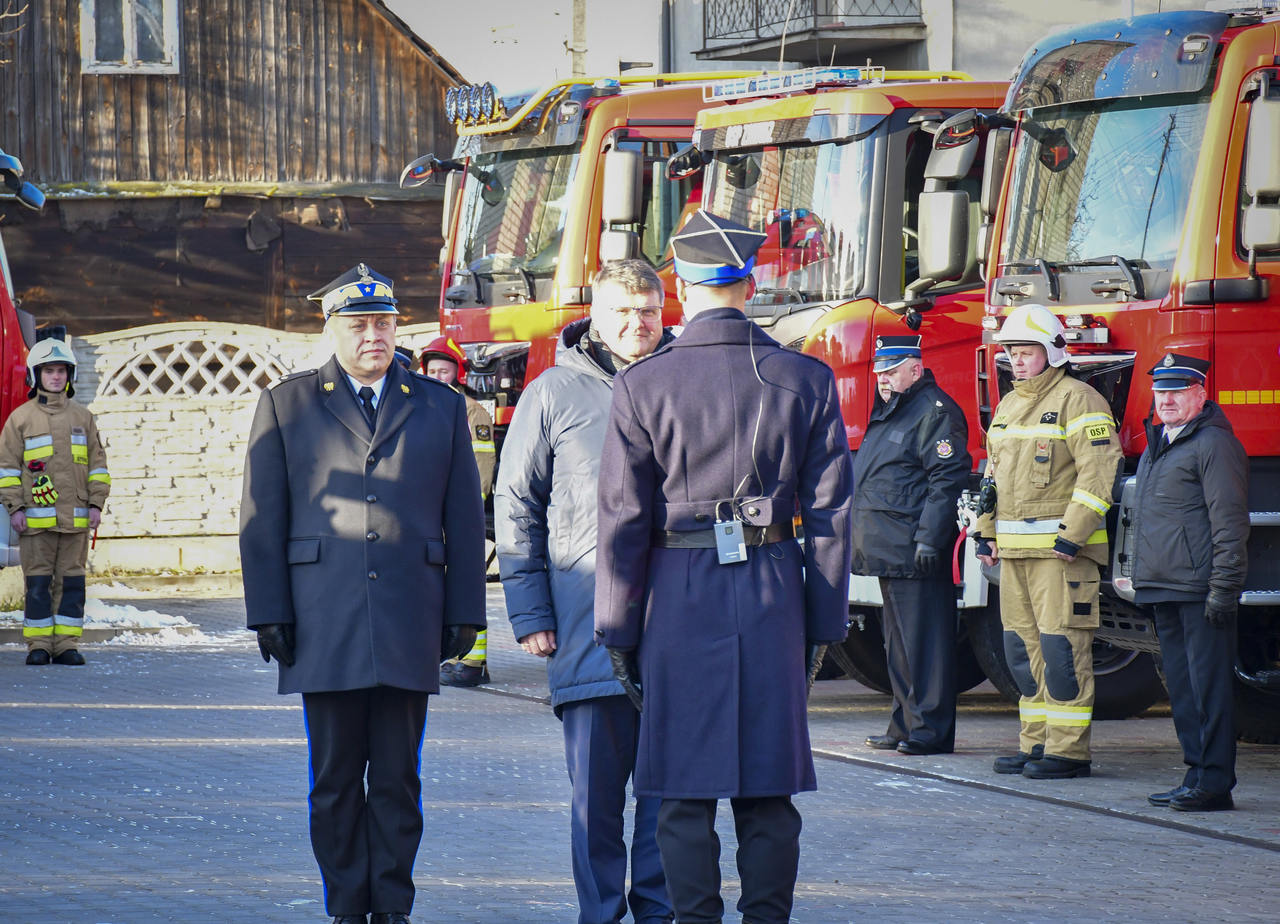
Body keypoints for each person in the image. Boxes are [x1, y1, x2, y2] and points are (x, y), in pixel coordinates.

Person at [594, 210, 853, 924]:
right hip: (773, 593)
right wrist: (824, 623)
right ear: (751, 283)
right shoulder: (806, 378)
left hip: (677, 599)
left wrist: (616, 627)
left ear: (680, 286)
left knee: (681, 793)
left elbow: (622, 519)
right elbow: (831, 515)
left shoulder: (643, 385)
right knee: (768, 793)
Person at [239, 263, 486, 924]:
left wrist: (465, 611)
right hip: (323, 618)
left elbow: (465, 518)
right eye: (359, 325)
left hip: (410, 615)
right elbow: (262, 516)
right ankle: (348, 904)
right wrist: (268, 612)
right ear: (332, 329)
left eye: (383, 323)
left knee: (400, 778)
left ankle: (393, 906)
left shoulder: (439, 406)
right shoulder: (288, 404)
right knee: (335, 779)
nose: (373, 335)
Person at [495, 259, 673, 924]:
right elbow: (516, 504)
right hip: (585, 624)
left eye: (647, 310)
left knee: (668, 797)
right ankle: (600, 915)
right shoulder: (552, 393)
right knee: (595, 799)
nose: (637, 323)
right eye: (622, 311)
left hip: (675, 626)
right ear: (595, 317)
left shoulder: (684, 383)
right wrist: (530, 612)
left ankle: (659, 914)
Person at [973, 303, 1122, 780]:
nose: (1017, 360)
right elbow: (992, 478)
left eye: (1027, 351)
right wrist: (985, 532)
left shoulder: (1081, 400)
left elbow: (1099, 472)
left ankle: (1068, 751)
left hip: (1061, 556)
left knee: (1062, 652)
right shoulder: (1008, 405)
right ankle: (1035, 744)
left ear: (1053, 352)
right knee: (1022, 652)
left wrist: (1072, 537)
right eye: (1012, 352)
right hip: (1015, 554)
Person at [1131, 353, 1248, 812]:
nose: (1167, 400)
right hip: (1165, 586)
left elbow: (1230, 522)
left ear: (1201, 394)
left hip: (1199, 588)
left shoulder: (1214, 444)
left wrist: (1224, 588)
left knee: (1208, 689)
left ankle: (1215, 782)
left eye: (1177, 392)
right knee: (1182, 689)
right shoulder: (1160, 441)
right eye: (1161, 392)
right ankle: (1196, 774)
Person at [852, 334, 970, 755]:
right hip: (891, 546)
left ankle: (930, 730)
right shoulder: (895, 410)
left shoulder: (933, 411)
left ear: (915, 369)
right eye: (880, 372)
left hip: (913, 548)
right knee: (899, 646)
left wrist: (929, 540)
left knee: (925, 645)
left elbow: (946, 479)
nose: (883, 379)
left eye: (891, 371)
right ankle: (904, 723)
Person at [0, 337, 110, 666]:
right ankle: (38, 645)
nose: (56, 377)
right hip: (34, 523)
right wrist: (15, 508)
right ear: (36, 375)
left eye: (61, 371)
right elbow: (7, 469)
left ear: (69, 375)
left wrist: (96, 505)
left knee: (72, 584)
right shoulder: (20, 419)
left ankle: (66, 645)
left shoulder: (83, 418)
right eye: (49, 371)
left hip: (75, 521)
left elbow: (98, 466)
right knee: (37, 584)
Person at [419, 335, 496, 687]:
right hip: (428, 513)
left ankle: (471, 663)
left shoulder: (470, 411)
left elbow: (482, 465)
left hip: (456, 516)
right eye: (432, 370)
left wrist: (464, 513)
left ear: (458, 373)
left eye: (444, 371)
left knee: (463, 585)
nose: (437, 376)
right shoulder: (420, 404)